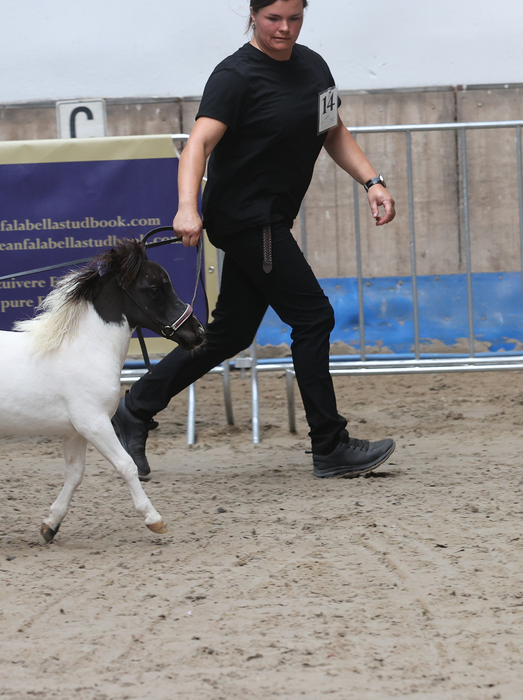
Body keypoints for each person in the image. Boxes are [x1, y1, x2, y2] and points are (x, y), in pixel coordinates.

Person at [113, 0, 396, 480]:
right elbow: (199, 143)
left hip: (270, 218)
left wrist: (372, 182)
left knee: (230, 334)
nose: (284, 28)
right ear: (252, 14)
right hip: (249, 219)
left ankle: (133, 410)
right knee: (313, 317)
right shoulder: (235, 76)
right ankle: (330, 444)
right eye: (273, 19)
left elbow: (331, 130)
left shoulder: (313, 67)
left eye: (294, 18)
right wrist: (187, 207)